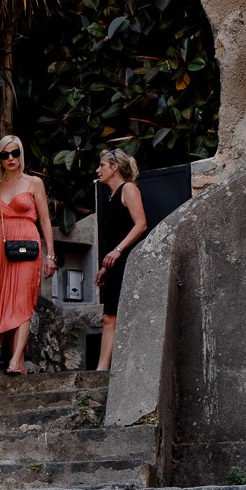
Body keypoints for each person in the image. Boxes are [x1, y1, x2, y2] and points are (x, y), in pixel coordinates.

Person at [0, 134, 56, 374]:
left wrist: (50, 255)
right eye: (5, 154)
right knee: (6, 302)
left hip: (27, 245)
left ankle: (14, 360)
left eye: (15, 153)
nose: (11, 158)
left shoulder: (34, 183)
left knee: (22, 300)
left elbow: (45, 220)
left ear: (21, 155)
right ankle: (20, 362)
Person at [95, 148, 148, 372]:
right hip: (116, 265)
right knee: (110, 316)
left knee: (113, 316)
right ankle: (102, 370)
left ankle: (102, 370)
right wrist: (105, 268)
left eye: (102, 166)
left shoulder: (129, 189)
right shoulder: (110, 197)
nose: (98, 170)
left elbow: (141, 224)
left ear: (114, 167)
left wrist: (118, 250)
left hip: (128, 261)